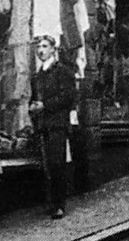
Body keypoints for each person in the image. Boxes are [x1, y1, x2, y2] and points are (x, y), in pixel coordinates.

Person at [29, 35, 77, 219]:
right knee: (48, 166)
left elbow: (67, 97)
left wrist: (45, 105)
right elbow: (35, 97)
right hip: (43, 125)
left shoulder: (62, 72)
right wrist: (33, 107)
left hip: (57, 125)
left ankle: (59, 204)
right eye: (38, 47)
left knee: (57, 164)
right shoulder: (37, 76)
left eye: (44, 46)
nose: (40, 50)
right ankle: (51, 202)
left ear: (53, 49)